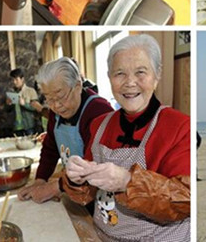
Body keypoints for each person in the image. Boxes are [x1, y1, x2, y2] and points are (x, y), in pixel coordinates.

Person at [63, 34, 190, 240]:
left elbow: (186, 200)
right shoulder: (99, 125)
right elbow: (87, 194)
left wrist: (128, 182)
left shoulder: (179, 126)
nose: (130, 83)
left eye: (141, 72)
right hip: (102, 235)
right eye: (119, 73)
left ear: (157, 75)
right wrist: (76, 179)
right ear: (109, 77)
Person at [18, 57, 113, 204]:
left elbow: (93, 164)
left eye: (61, 96)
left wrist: (54, 188)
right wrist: (40, 180)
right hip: (72, 188)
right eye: (49, 99)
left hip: (101, 197)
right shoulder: (56, 112)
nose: (56, 106)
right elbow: (50, 148)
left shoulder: (98, 111)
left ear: (78, 86)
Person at [8, 68, 41, 136]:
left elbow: (36, 108)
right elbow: (8, 111)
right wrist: (9, 104)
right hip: (16, 127)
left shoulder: (31, 91)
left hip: (29, 126)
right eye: (13, 80)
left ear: (22, 79)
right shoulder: (11, 93)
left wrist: (24, 104)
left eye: (16, 79)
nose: (14, 82)